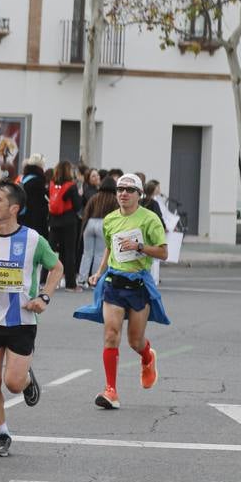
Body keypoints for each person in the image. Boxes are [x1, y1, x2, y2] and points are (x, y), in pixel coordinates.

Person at [0, 181, 63, 457]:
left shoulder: (33, 240)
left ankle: (27, 380)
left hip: (23, 320)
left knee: (13, 383)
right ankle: (2, 433)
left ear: (14, 208)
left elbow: (57, 268)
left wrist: (44, 297)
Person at [76, 173, 170, 410]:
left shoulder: (149, 219)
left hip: (138, 285)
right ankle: (111, 391)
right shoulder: (109, 219)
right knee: (110, 335)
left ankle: (148, 357)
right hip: (114, 284)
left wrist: (139, 246)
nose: (123, 194)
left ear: (139, 194)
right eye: (120, 189)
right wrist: (99, 272)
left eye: (129, 190)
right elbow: (110, 248)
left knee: (135, 341)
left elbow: (163, 253)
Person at [47, 159, 81, 290]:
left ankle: (44, 279)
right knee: (69, 252)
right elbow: (77, 205)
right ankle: (70, 283)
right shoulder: (71, 186)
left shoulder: (52, 184)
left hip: (54, 221)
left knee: (50, 251)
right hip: (69, 222)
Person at [78, 178, 119, 288]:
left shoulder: (94, 197)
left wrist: (83, 228)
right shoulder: (114, 199)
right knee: (100, 254)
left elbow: (86, 212)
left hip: (90, 223)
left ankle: (82, 280)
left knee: (87, 253)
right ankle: (95, 279)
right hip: (103, 225)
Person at [18, 154, 49, 239]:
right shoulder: (38, 181)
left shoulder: (23, 178)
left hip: (22, 216)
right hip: (35, 221)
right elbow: (38, 205)